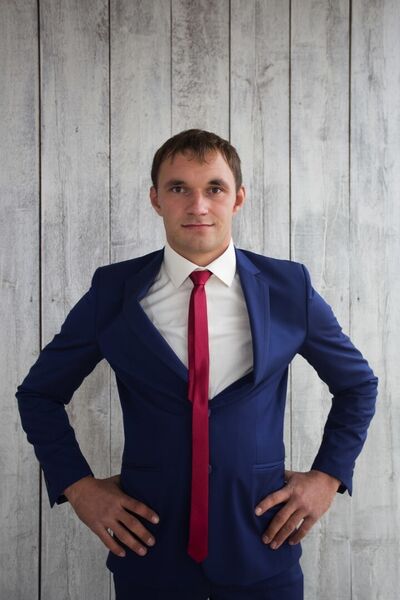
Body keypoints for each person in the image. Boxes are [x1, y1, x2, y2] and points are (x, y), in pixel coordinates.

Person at [16, 129, 378, 600]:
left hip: (264, 547)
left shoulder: (289, 288)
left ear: (238, 198)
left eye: (214, 188)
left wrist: (328, 476)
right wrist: (78, 487)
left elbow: (357, 385)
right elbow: (39, 393)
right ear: (156, 199)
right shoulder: (113, 292)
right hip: (149, 553)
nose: (198, 205)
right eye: (178, 188)